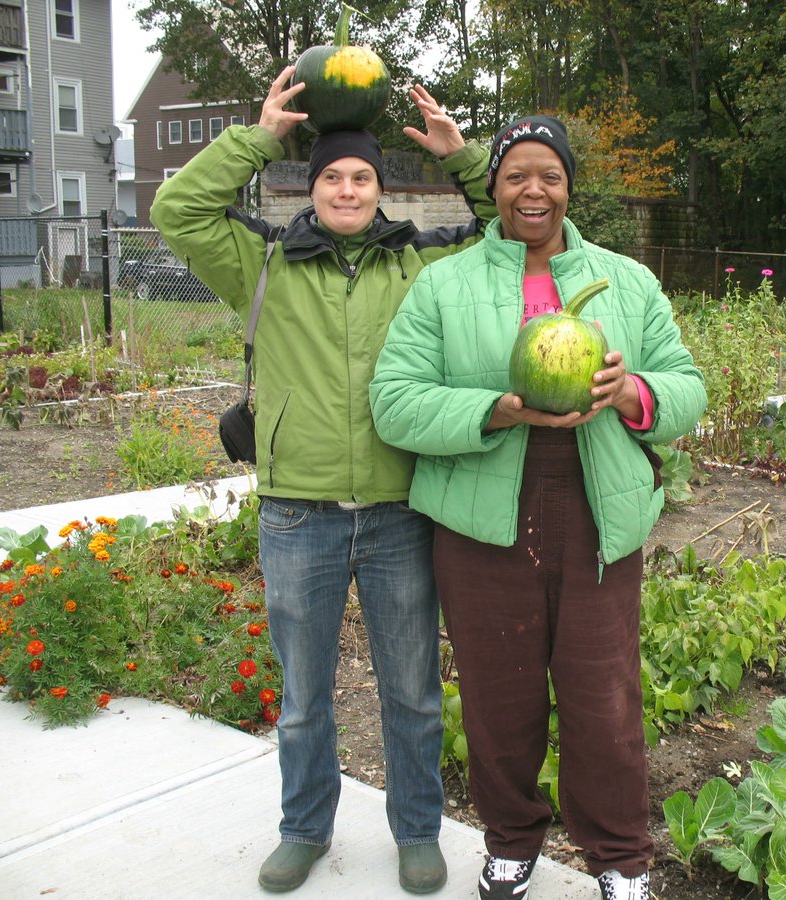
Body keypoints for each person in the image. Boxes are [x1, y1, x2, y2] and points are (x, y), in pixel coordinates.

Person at [150, 66, 496, 895]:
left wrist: (463, 159)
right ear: (310, 189)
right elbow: (175, 211)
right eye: (333, 177)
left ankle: (417, 831)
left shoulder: (424, 267)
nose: (347, 189)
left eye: (362, 177)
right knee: (304, 696)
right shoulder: (261, 259)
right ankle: (305, 828)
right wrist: (261, 137)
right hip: (297, 513)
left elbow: (516, 231)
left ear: (383, 189)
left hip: (398, 512)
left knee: (410, 692)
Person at [369, 115, 707, 900]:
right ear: (494, 188)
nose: (533, 189)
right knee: (499, 694)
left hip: (596, 509)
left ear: (568, 188)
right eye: (517, 173)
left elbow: (688, 385)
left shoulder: (627, 279)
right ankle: (512, 844)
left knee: (604, 698)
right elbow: (395, 402)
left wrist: (630, 391)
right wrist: (497, 410)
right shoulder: (444, 283)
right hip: (485, 510)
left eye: (549, 175)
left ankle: (621, 860)